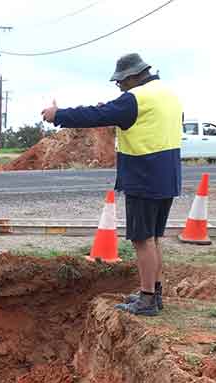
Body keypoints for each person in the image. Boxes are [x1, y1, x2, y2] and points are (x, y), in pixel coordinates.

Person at [42, 53, 182, 317]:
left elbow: (95, 114)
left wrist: (57, 114)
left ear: (131, 77)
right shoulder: (167, 94)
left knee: (142, 240)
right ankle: (154, 291)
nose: (119, 86)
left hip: (144, 175)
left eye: (120, 82)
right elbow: (138, 122)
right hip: (168, 174)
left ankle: (147, 299)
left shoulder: (135, 99)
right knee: (154, 238)